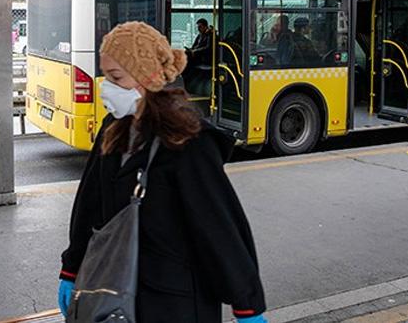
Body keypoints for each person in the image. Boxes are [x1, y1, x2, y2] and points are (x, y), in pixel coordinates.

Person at [57, 21, 267, 323]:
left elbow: (218, 226)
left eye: (116, 77)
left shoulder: (187, 141)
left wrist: (247, 305)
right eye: (105, 75)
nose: (106, 86)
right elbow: (89, 203)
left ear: (147, 78)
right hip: (114, 292)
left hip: (174, 301)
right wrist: (71, 266)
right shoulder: (112, 128)